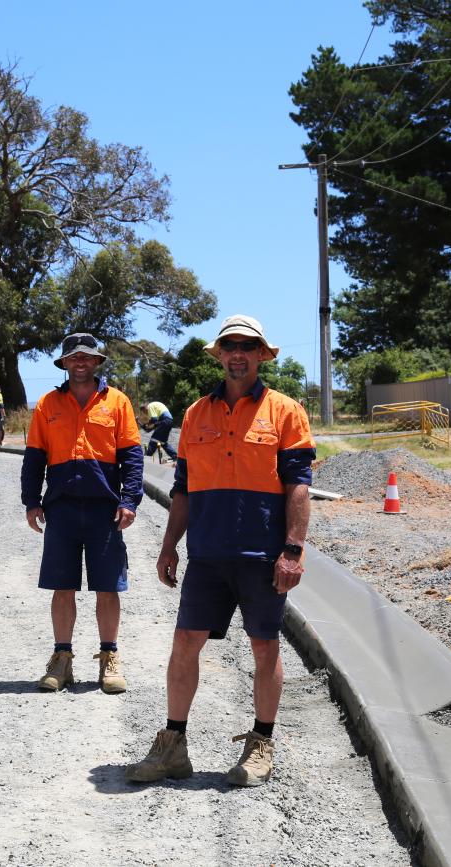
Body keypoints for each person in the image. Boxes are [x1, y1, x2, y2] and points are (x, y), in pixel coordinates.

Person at [126, 314, 313, 787]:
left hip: (261, 554)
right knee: (185, 642)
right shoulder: (194, 414)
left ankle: (261, 744)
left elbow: (298, 486)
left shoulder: (285, 411)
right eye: (229, 345)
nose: (237, 353)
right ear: (220, 354)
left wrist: (292, 548)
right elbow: (184, 488)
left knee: (264, 646)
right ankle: (172, 747)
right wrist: (169, 545)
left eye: (246, 346)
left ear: (260, 355)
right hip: (207, 554)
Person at [21, 333, 144, 693]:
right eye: (74, 357)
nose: (80, 362)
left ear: (97, 362)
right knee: (63, 586)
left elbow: (133, 458)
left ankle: (109, 658)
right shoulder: (47, 404)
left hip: (105, 509)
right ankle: (62, 659)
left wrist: (129, 501)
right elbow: (34, 457)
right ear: (64, 363)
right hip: (60, 508)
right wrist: (31, 501)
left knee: (108, 587)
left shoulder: (117, 403)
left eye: (87, 357)